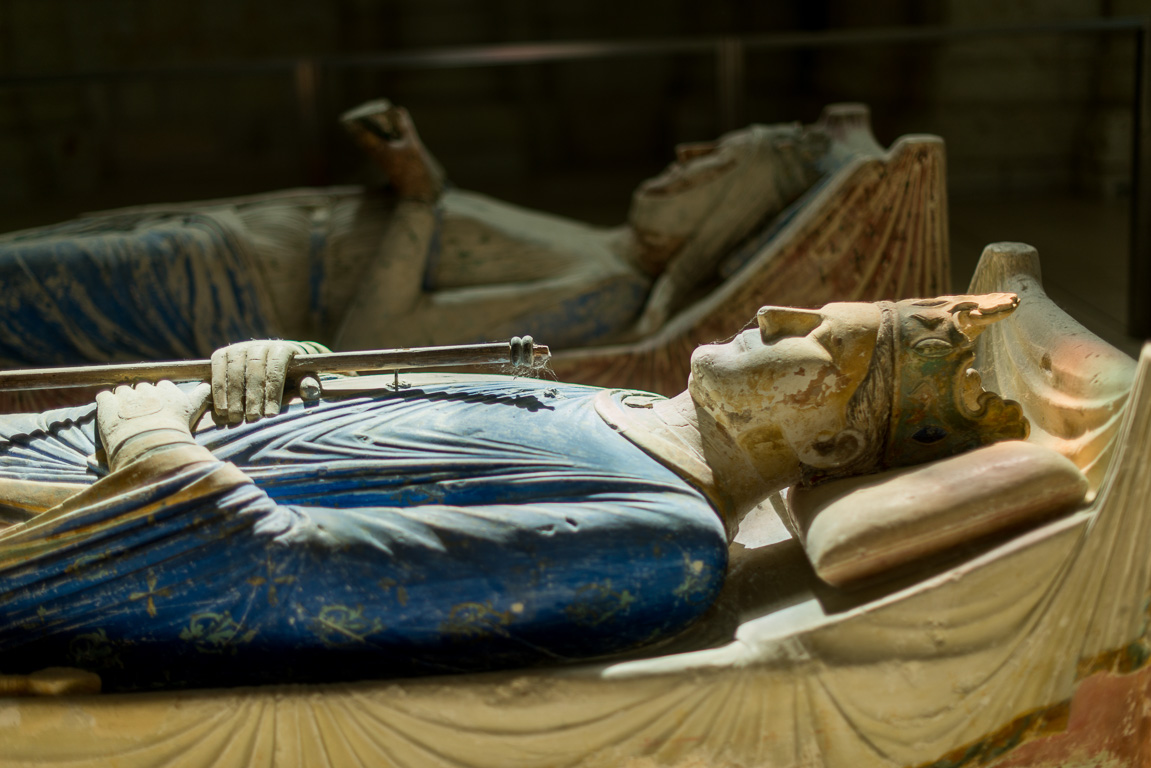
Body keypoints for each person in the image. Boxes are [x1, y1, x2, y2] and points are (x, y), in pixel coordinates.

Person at [0, 294, 1027, 692]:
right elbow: (377, 429)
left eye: (822, 334)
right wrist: (278, 370)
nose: (777, 306)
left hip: (63, 520)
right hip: (77, 442)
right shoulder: (627, 406)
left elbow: (264, 570)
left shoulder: (656, 541)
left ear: (840, 436)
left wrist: (145, 429)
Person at [0, 100, 839, 368]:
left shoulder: (603, 294)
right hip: (234, 248)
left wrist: (418, 197)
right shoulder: (599, 251)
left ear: (730, 219)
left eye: (713, 171)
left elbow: (372, 341)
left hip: (219, 287)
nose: (683, 158)